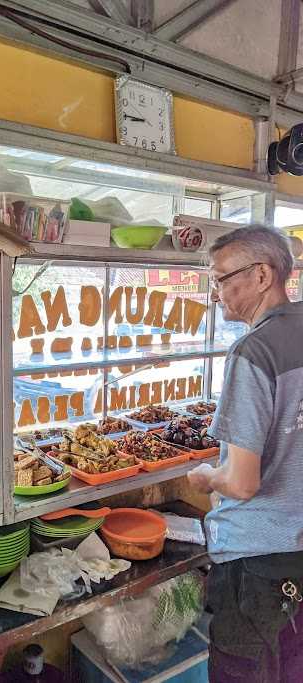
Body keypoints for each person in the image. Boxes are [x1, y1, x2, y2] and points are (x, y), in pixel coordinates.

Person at [187, 225, 303, 683]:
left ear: (261, 275)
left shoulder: (253, 352)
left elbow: (241, 482)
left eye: (220, 279)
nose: (215, 292)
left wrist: (206, 477)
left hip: (260, 562)